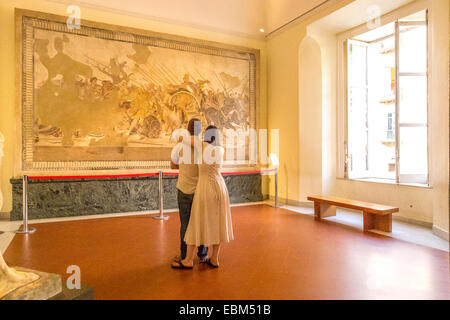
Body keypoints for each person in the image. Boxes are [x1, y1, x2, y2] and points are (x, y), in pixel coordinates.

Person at [174, 125, 233, 269]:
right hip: (220, 187)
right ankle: (214, 258)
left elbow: (182, 138)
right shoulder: (220, 149)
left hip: (205, 188)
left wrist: (180, 136)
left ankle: (188, 260)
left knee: (196, 222)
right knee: (217, 223)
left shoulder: (203, 145)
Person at [170, 118, 208, 268]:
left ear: (188, 128)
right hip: (200, 189)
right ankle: (203, 254)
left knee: (185, 224)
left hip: (184, 189)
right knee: (202, 223)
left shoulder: (180, 146)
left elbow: (173, 165)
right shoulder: (204, 147)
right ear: (200, 130)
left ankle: (186, 256)